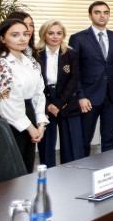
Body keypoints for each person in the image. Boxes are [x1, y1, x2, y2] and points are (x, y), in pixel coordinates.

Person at [0, 18, 48, 173]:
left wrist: (40, 123)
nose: (22, 38)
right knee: (11, 171)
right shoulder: (0, 65)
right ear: (2, 39)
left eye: (25, 34)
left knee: (27, 168)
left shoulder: (31, 61)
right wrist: (30, 128)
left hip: (30, 113)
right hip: (10, 120)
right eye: (15, 35)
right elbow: (8, 103)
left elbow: (39, 93)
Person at [68, 1, 113, 156]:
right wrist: (81, 96)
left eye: (105, 12)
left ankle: (109, 170)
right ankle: (82, 170)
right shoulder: (78, 38)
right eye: (97, 12)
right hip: (88, 98)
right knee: (84, 140)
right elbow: (74, 72)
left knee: (110, 139)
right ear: (90, 15)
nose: (102, 16)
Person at [33, 20, 83, 166]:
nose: (55, 37)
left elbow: (73, 80)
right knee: (46, 144)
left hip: (67, 100)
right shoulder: (35, 54)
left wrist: (59, 104)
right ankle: (48, 174)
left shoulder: (71, 53)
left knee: (71, 145)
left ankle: (71, 174)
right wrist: (48, 105)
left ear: (63, 35)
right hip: (44, 98)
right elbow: (34, 82)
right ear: (44, 35)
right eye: (51, 33)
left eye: (59, 33)